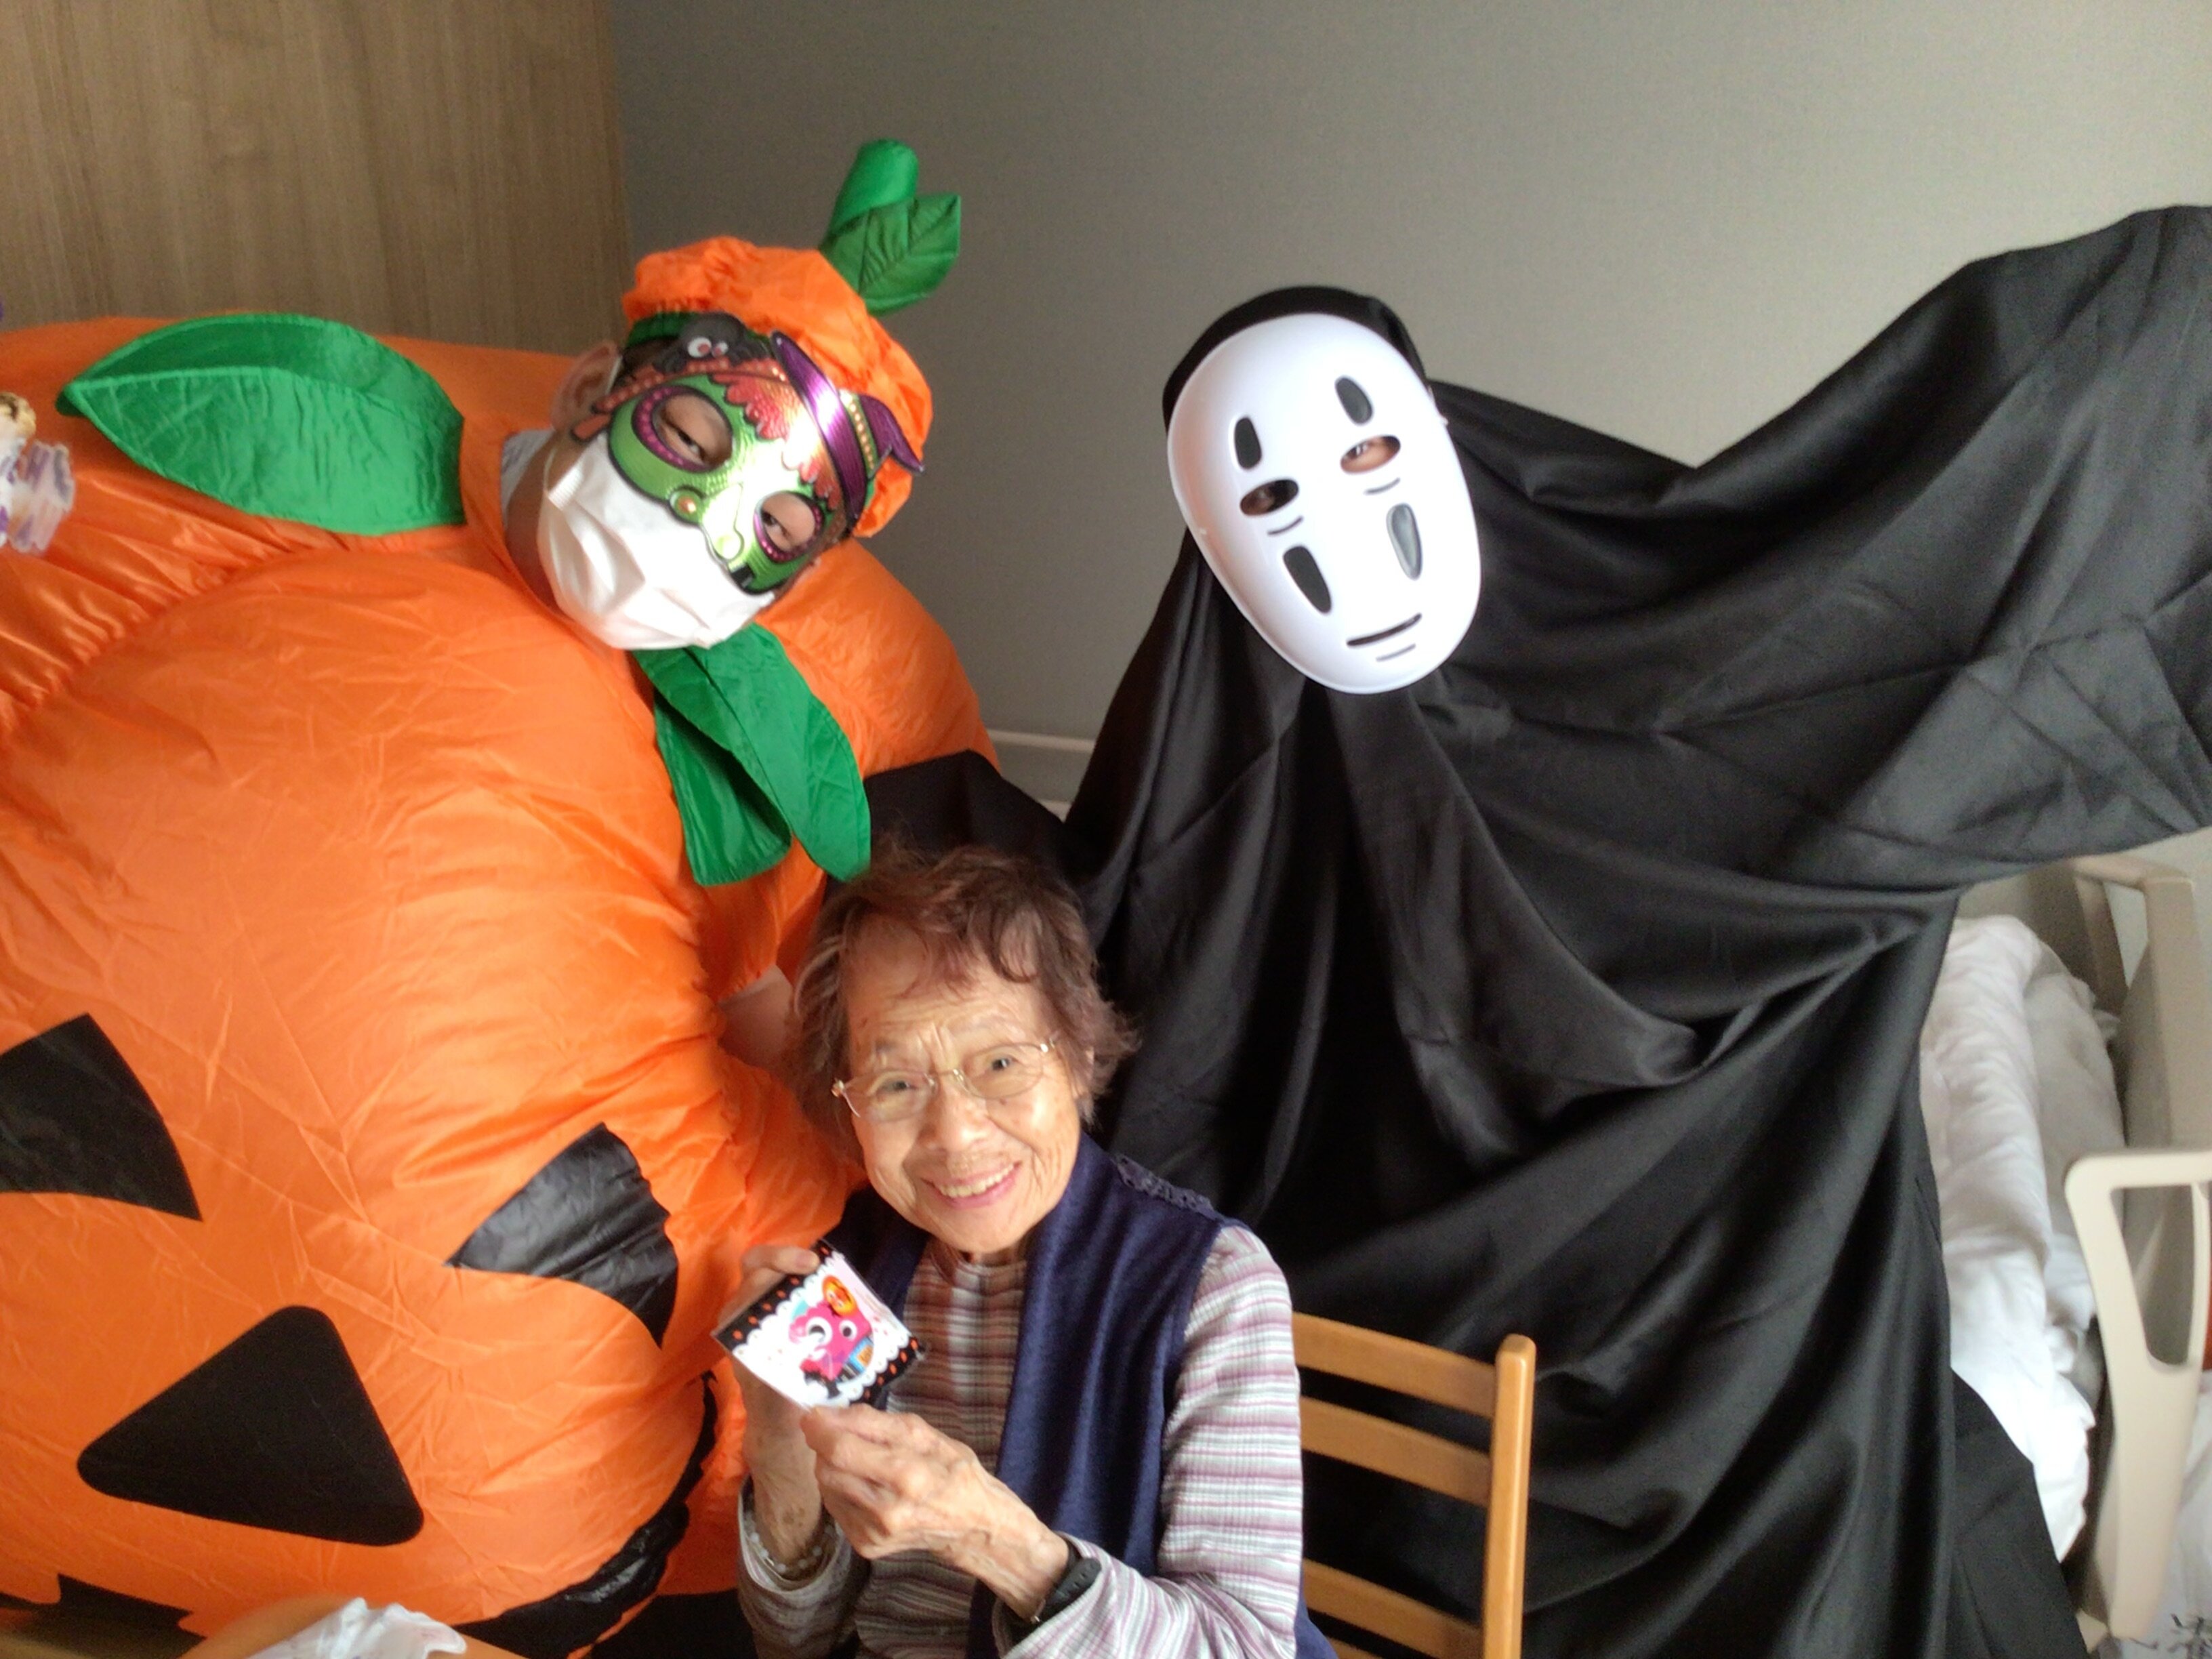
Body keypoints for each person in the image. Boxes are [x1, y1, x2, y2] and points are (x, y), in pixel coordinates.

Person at [731, 846, 1323, 1658]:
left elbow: (1247, 1647)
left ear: (1077, 1056)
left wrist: (995, 1541)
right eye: (896, 1084)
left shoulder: (1212, 1288)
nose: (955, 1136)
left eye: (1001, 1063)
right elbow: (795, 1638)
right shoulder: (851, 1275)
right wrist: (776, 1439)